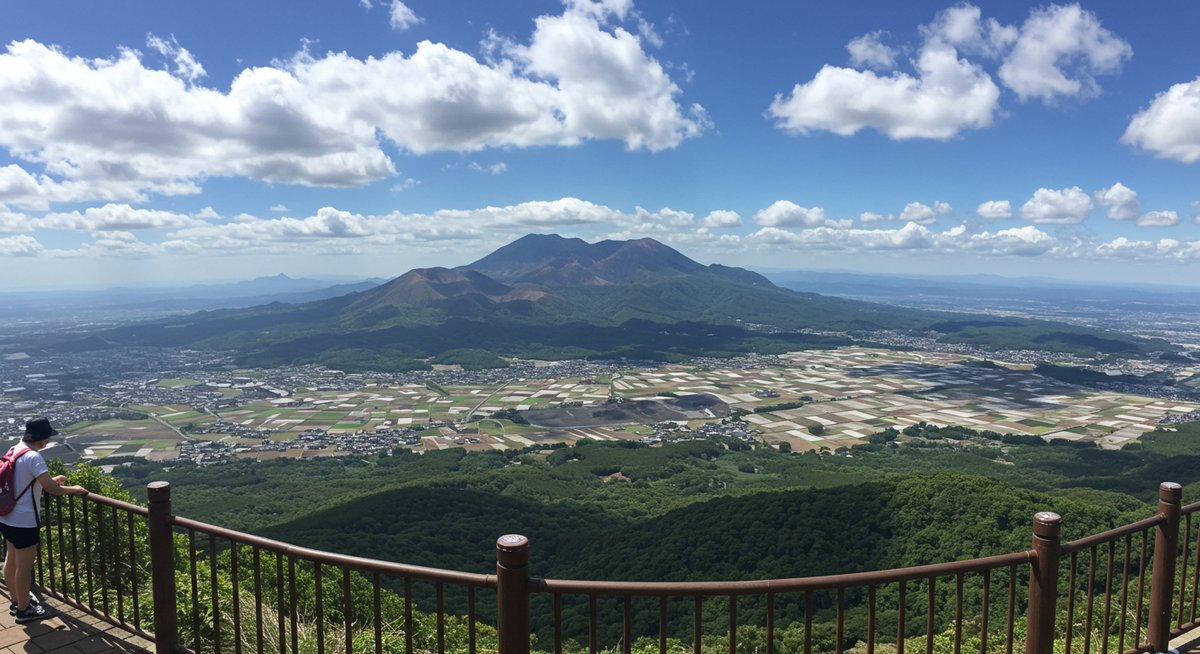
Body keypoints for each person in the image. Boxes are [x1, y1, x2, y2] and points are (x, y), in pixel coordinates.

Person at [0, 417, 87, 623]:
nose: (47, 442)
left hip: (6, 515)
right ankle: (24, 610)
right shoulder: (34, 457)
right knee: (24, 566)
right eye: (47, 438)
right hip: (24, 520)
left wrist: (48, 480)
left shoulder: (15, 449)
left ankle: (15, 600)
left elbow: (24, 480)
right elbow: (53, 490)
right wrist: (74, 489)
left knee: (11, 559)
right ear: (41, 439)